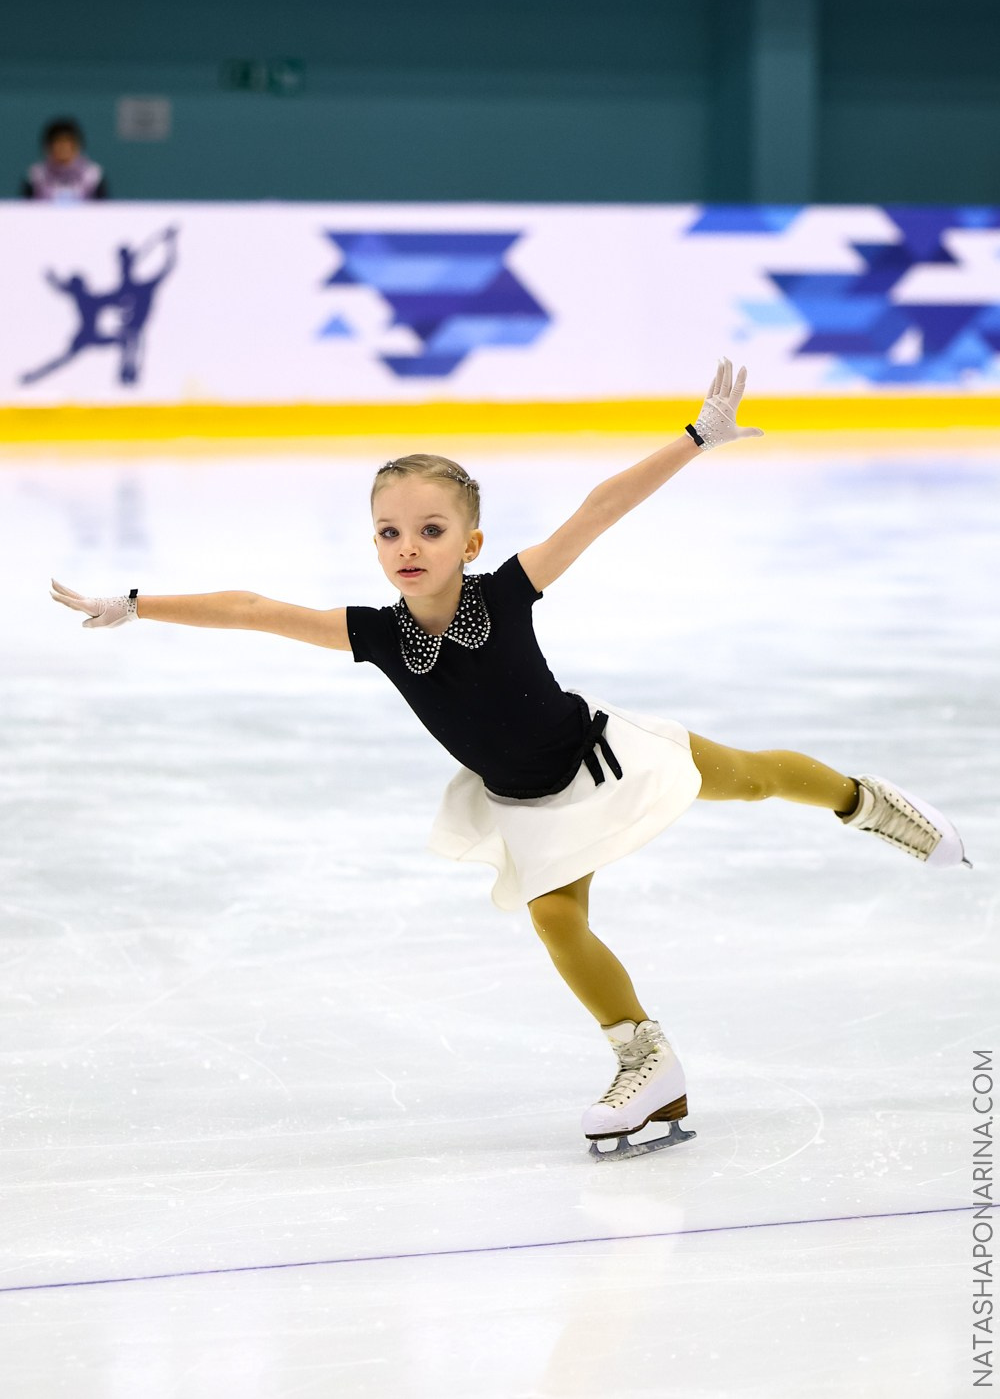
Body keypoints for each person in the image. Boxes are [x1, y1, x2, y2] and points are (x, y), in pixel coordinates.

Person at [49, 360, 971, 1160]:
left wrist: (696, 438)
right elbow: (254, 609)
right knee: (556, 921)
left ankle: (868, 802)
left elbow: (597, 509)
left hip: (603, 761)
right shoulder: (376, 634)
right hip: (526, 805)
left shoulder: (509, 593)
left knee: (752, 777)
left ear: (472, 542)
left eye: (431, 530)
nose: (408, 548)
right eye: (389, 532)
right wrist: (135, 601)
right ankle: (646, 1061)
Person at [22, 117, 108, 201]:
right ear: (48, 147)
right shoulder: (35, 178)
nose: (63, 148)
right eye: (58, 142)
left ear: (78, 146)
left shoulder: (94, 177)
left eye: (68, 142)